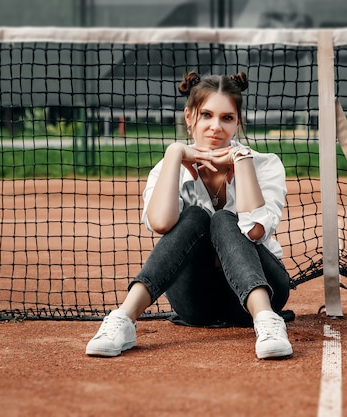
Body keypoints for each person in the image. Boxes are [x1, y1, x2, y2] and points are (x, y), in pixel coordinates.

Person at [85, 70, 293, 359]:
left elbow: (256, 230)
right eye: (206, 115)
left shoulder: (265, 165)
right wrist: (174, 154)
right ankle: (124, 319)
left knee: (223, 219)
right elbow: (161, 223)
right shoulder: (166, 168)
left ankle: (267, 322)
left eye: (227, 118)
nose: (215, 127)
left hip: (264, 289)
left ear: (238, 123)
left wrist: (242, 162)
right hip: (197, 301)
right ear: (189, 117)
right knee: (195, 216)